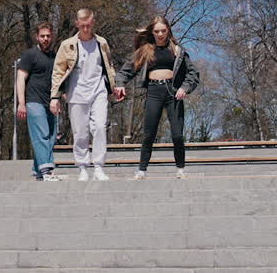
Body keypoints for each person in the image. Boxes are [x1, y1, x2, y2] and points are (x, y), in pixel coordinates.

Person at [114, 16, 200, 179]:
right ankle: (142, 170)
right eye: (157, 31)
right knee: (149, 133)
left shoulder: (177, 50)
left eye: (163, 31)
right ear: (152, 32)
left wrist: (185, 88)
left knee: (177, 134)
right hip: (154, 92)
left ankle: (180, 169)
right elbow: (126, 70)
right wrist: (120, 83)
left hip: (173, 92)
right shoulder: (145, 50)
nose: (160, 34)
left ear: (168, 31)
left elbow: (193, 73)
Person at [50, 9, 117, 181]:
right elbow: (58, 71)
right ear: (77, 24)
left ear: (93, 23)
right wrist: (55, 96)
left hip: (98, 91)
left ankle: (99, 166)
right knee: (80, 132)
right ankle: (82, 167)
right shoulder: (68, 45)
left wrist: (113, 85)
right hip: (77, 93)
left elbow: (109, 66)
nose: (86, 29)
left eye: (89, 25)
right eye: (82, 25)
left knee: (100, 127)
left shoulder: (102, 43)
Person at [16, 22, 60, 181]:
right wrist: (21, 103)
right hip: (33, 101)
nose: (45, 39)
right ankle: (47, 171)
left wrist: (60, 98)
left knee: (52, 137)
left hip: (50, 102)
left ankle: (38, 171)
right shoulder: (30, 55)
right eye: (42, 36)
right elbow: (20, 78)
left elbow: (59, 80)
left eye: (48, 36)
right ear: (37, 37)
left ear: (52, 36)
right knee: (41, 135)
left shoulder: (55, 57)